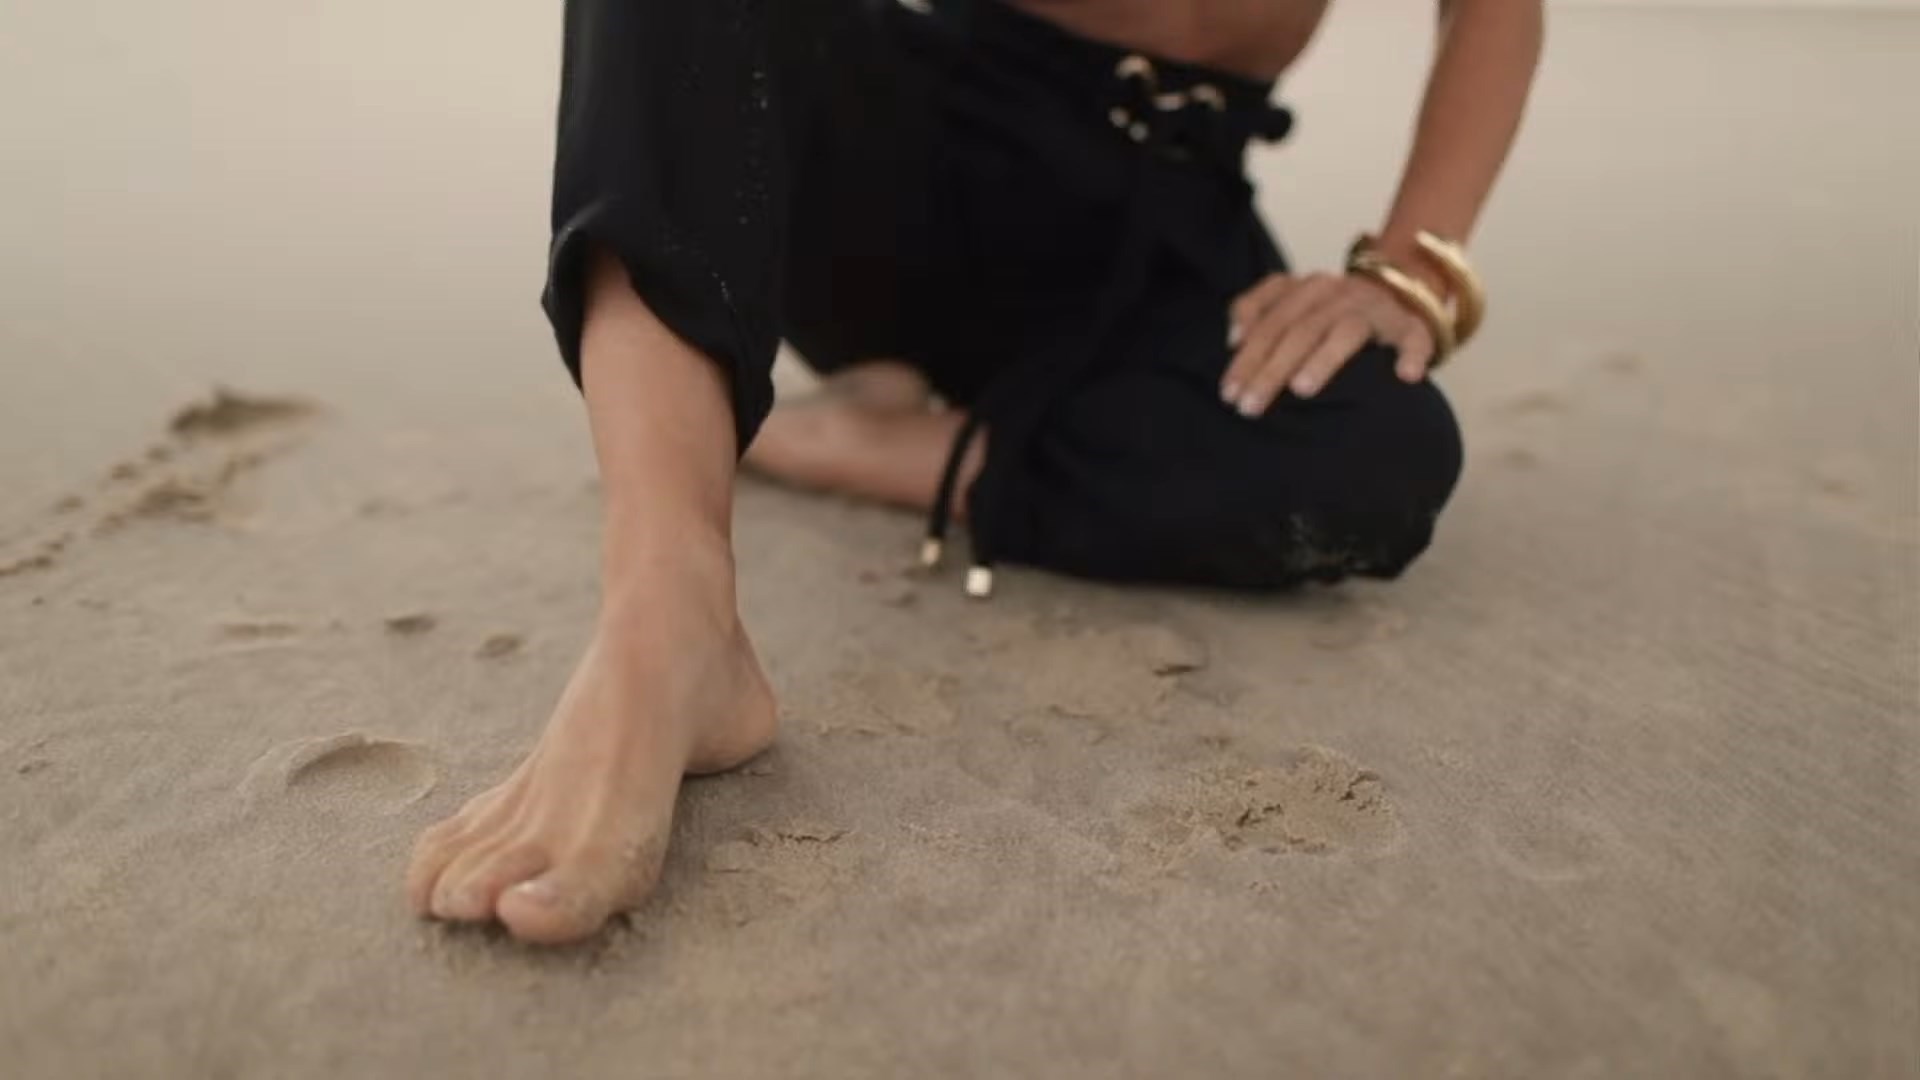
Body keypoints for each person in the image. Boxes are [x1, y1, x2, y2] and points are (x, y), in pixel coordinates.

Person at [406, 0, 1543, 945]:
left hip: (1169, 238)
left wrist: (1405, 278)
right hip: (909, 182)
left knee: (1379, 454)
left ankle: (864, 444)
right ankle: (669, 608)